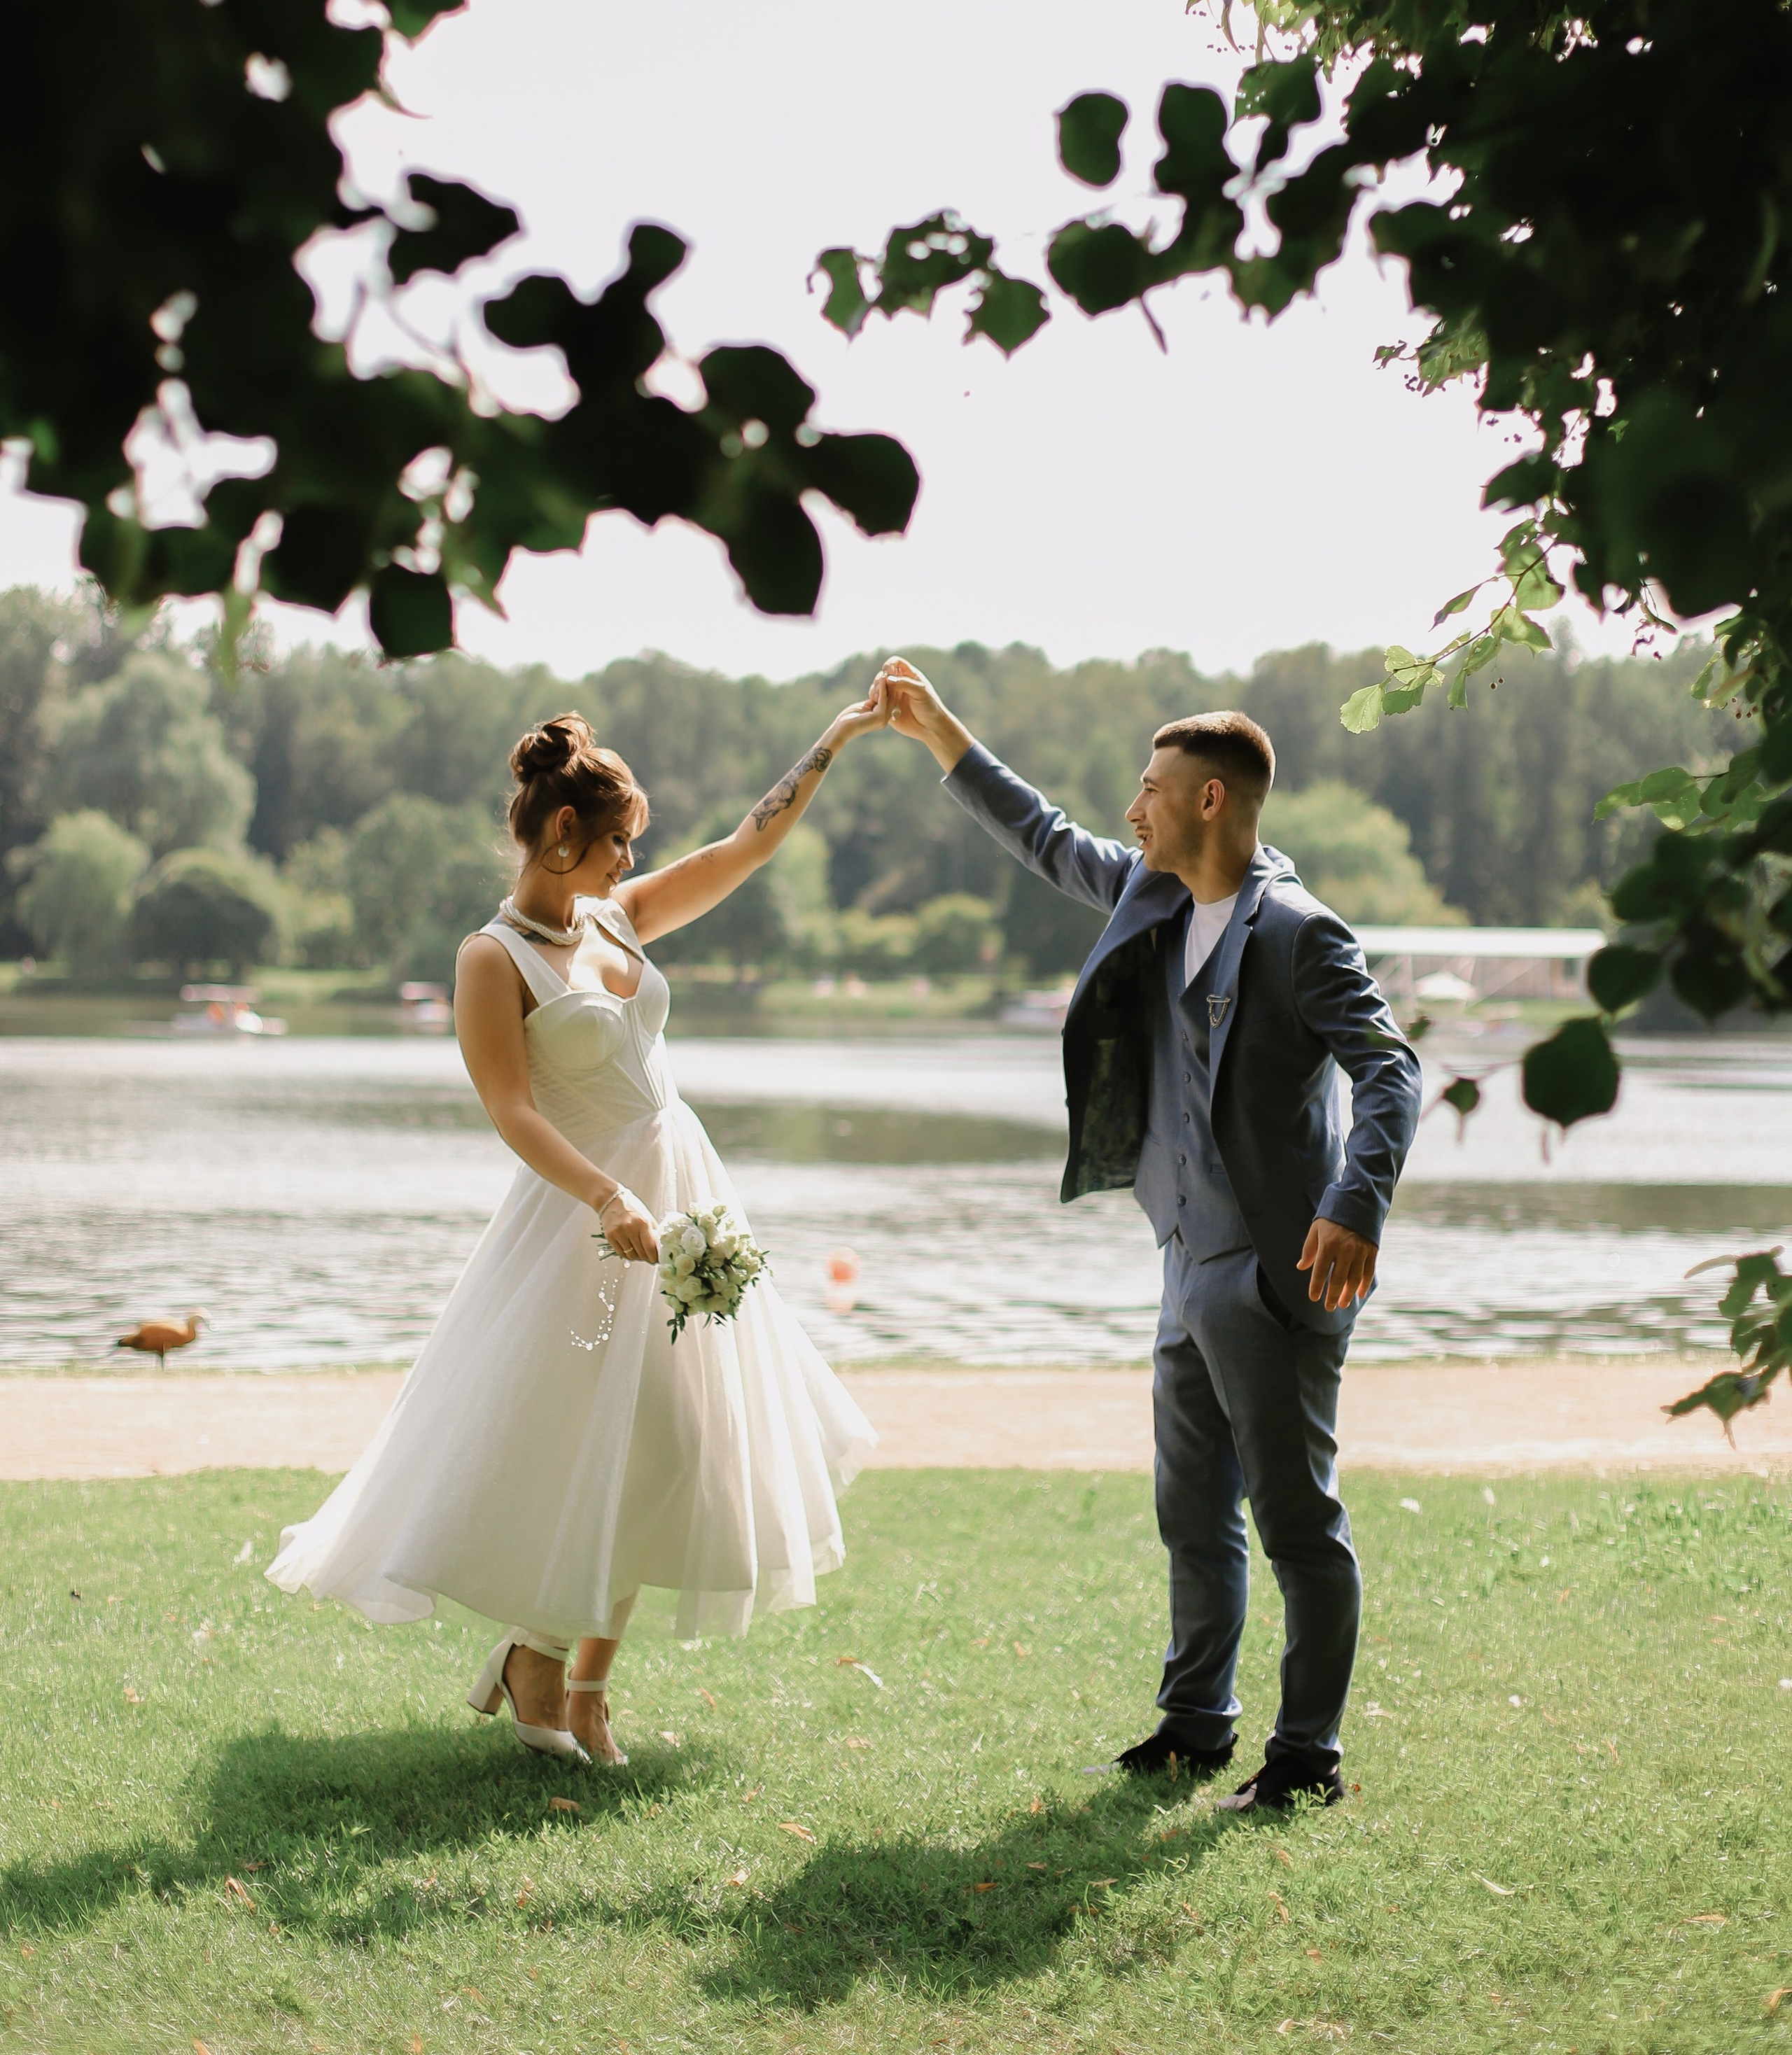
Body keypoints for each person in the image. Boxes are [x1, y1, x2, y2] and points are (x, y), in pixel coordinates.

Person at [267, 694, 889, 1765]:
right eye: (618, 842)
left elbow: (745, 847)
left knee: (686, 1444)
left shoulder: (618, 917)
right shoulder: (491, 959)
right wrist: (605, 1196)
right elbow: (512, 1110)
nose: (629, 861)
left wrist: (835, 738)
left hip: (684, 1205)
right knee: (598, 1447)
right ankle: (542, 1665)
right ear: (564, 834)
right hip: (583, 1224)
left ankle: (570, 1677)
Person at [878, 658, 1422, 1812]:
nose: (1133, 809)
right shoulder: (1152, 892)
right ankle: (1194, 1727)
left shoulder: (1300, 935)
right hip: (1183, 1261)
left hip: (1276, 1271)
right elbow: (1044, 836)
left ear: (1209, 799)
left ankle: (1308, 1758)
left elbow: (1391, 1070)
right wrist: (941, 736)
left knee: (1296, 1524)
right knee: (1192, 1514)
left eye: (1151, 788)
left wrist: (1355, 1204)